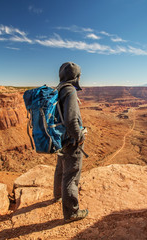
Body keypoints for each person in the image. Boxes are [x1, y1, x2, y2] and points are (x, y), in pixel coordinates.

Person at [53, 62, 89, 223]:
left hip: (60, 138)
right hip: (70, 140)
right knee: (71, 175)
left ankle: (58, 196)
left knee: (61, 167)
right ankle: (72, 212)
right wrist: (79, 136)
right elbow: (72, 120)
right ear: (76, 77)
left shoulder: (58, 88)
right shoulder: (70, 90)